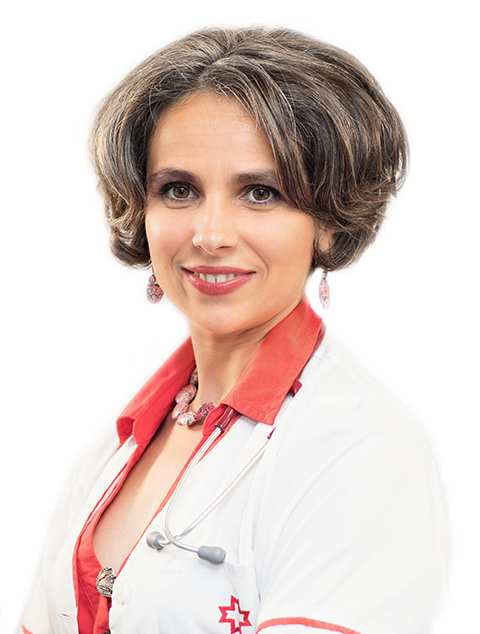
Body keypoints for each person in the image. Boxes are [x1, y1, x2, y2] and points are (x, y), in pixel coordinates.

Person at [22, 22, 447, 634]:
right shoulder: (123, 438)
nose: (210, 234)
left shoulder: (363, 448)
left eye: (260, 193)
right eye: (178, 190)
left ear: (329, 223)